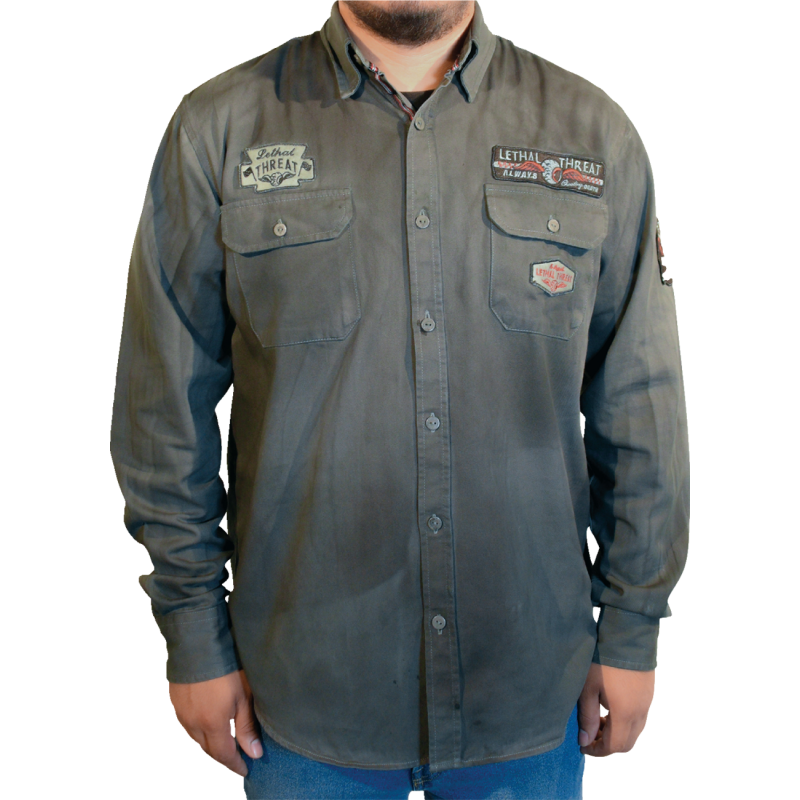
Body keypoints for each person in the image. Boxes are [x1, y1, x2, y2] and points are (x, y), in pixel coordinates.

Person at [110, 2, 689, 798]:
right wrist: (193, 637)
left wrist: (631, 628)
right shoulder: (217, 128)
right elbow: (160, 410)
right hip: (302, 699)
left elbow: (640, 405)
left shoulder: (596, 132)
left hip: (531, 689)